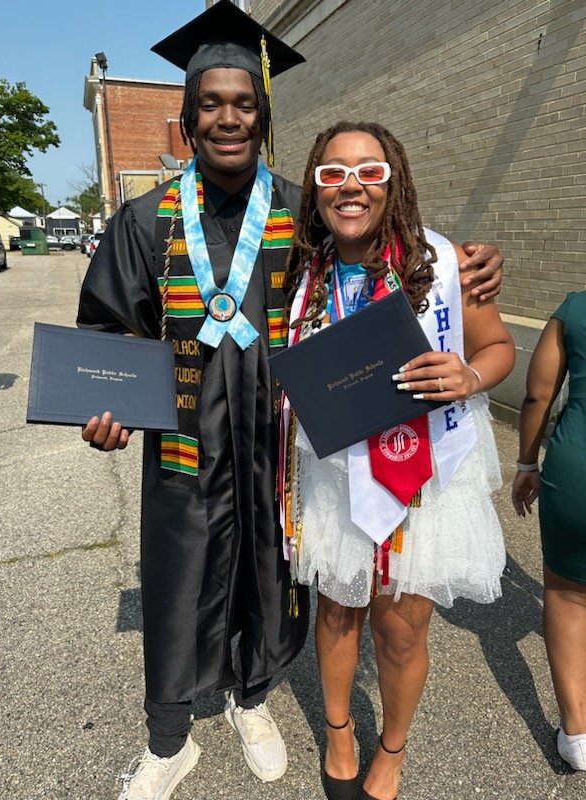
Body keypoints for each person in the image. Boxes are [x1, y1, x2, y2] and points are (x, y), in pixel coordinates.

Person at [77, 3, 505, 797]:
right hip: (184, 446)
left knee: (269, 580)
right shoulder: (143, 223)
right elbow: (106, 334)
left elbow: (387, 239)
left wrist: (473, 263)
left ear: (264, 116)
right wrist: (98, 415)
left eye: (244, 104)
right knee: (177, 584)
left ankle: (252, 699)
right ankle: (170, 740)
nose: (228, 119)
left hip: (283, 446)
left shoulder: (299, 212)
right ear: (188, 118)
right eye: (211, 104)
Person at [280, 121, 515, 800]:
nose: (351, 185)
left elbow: (496, 346)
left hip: (422, 475)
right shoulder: (302, 264)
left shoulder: (446, 263)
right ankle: (340, 731)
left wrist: (471, 376)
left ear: (396, 179)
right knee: (337, 611)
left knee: (402, 630)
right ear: (316, 187)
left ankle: (393, 747)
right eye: (332, 173)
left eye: (369, 171)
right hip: (334, 470)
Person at [511, 291, 586, 772]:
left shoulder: (575, 309)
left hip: (578, 471)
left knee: (567, 597)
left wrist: (525, 463)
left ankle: (577, 734)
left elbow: (539, 392)